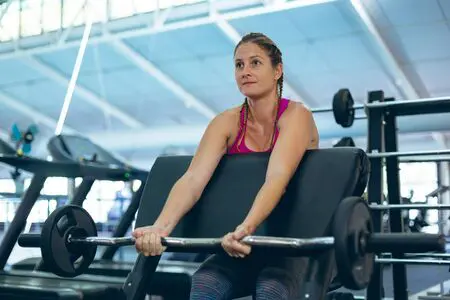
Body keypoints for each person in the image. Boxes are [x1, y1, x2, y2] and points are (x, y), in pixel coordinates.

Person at [133, 32, 319, 299]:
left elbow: (277, 177)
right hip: (242, 243)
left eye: (255, 63)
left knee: (271, 287)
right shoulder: (226, 122)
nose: (245, 71)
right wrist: (160, 228)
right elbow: (193, 179)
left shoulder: (296, 115)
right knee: (204, 283)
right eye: (239, 65)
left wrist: (246, 228)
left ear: (277, 70)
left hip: (291, 244)